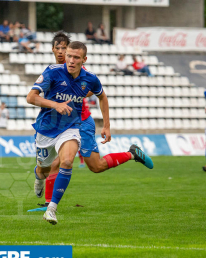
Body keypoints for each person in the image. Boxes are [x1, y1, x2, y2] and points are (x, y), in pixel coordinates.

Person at [27, 40, 153, 225]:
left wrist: (107, 126)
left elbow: (102, 96)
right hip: (46, 129)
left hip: (72, 127)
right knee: (46, 168)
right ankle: (39, 177)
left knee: (67, 161)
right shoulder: (53, 71)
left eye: (75, 57)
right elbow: (31, 97)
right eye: (68, 55)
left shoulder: (90, 78)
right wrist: (56, 104)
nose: (70, 60)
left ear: (84, 59)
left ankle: (51, 209)